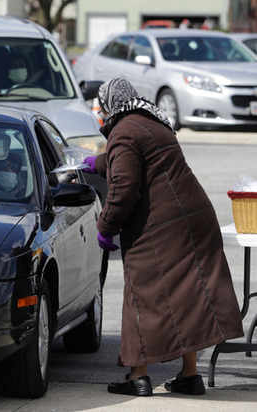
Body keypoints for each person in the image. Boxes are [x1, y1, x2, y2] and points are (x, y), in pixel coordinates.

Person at [82, 78, 244, 397]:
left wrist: (105, 226)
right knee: (189, 296)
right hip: (196, 217)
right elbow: (131, 159)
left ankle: (137, 376)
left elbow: (125, 187)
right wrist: (96, 163)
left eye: (100, 107)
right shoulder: (151, 120)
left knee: (143, 295)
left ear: (110, 104)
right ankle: (189, 375)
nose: (99, 113)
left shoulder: (123, 131)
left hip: (163, 227)